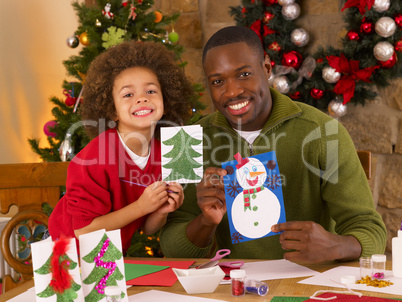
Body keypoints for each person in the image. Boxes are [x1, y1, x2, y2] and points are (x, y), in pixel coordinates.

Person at [159, 26, 387, 263]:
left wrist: (335, 245)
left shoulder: (325, 132)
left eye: (244, 74)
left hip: (307, 284)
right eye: (217, 81)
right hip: (232, 287)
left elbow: (371, 230)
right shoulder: (183, 142)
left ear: (266, 69)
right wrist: (205, 221)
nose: (233, 91)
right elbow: (171, 248)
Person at [49, 41, 194, 254]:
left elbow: (146, 227)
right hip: (64, 252)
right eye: (128, 95)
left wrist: (162, 210)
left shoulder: (167, 152)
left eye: (151, 90)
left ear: (166, 101)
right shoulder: (96, 156)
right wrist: (141, 207)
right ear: (112, 110)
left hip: (110, 255)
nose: (142, 98)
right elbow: (83, 231)